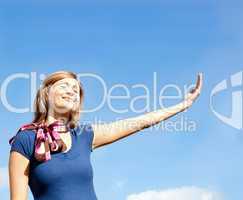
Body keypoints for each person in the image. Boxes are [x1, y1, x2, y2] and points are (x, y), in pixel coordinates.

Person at [8, 70, 203, 200]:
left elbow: (140, 122)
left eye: (76, 90)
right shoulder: (26, 139)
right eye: (64, 86)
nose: (71, 91)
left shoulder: (84, 136)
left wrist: (183, 105)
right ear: (47, 93)